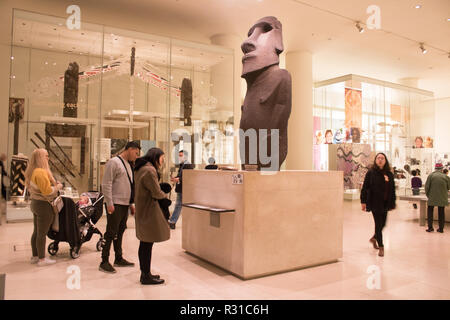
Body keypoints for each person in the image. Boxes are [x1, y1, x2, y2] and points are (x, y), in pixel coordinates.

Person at [100, 141, 140, 273]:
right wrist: (109, 202)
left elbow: (128, 185)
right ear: (130, 149)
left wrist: (131, 203)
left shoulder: (128, 164)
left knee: (121, 230)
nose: (136, 156)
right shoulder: (114, 162)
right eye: (136, 153)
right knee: (111, 232)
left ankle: (118, 257)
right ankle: (104, 261)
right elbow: (106, 183)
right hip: (115, 204)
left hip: (124, 204)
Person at [134, 148, 170, 285]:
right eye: (162, 158)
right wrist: (165, 197)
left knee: (145, 243)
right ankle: (145, 275)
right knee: (147, 243)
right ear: (156, 157)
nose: (163, 161)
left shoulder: (141, 168)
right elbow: (155, 192)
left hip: (142, 208)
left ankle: (146, 273)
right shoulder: (150, 170)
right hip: (149, 210)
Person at [24, 149, 63, 266]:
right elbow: (47, 191)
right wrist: (58, 186)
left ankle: (35, 256)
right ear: (41, 158)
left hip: (36, 203)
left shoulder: (33, 171)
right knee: (41, 233)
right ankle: (41, 259)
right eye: (46, 156)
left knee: (36, 232)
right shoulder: (41, 172)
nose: (48, 158)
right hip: (43, 205)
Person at [360, 152, 396, 257]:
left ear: (385, 161)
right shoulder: (371, 173)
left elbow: (392, 190)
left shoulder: (389, 174)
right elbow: (365, 187)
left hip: (385, 203)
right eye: (378, 158)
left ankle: (374, 238)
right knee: (378, 225)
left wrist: (392, 203)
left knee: (383, 224)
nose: (380, 160)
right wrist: (363, 201)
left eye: (382, 158)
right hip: (375, 203)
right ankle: (381, 246)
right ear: (376, 160)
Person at [424, 162, 450, 233]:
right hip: (442, 197)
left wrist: (428, 195)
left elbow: (426, 187)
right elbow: (448, 187)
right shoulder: (445, 176)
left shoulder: (431, 176)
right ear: (442, 169)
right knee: (441, 212)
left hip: (432, 197)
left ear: (435, 168)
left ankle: (430, 228)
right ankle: (441, 228)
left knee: (430, 211)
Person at [168, 150, 189, 229]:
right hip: (181, 188)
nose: (179, 157)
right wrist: (175, 179)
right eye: (179, 155)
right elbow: (180, 176)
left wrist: (178, 179)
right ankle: (172, 221)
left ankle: (172, 221)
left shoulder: (187, 165)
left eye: (181, 155)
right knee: (178, 205)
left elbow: (187, 177)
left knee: (178, 205)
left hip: (184, 188)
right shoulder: (182, 164)